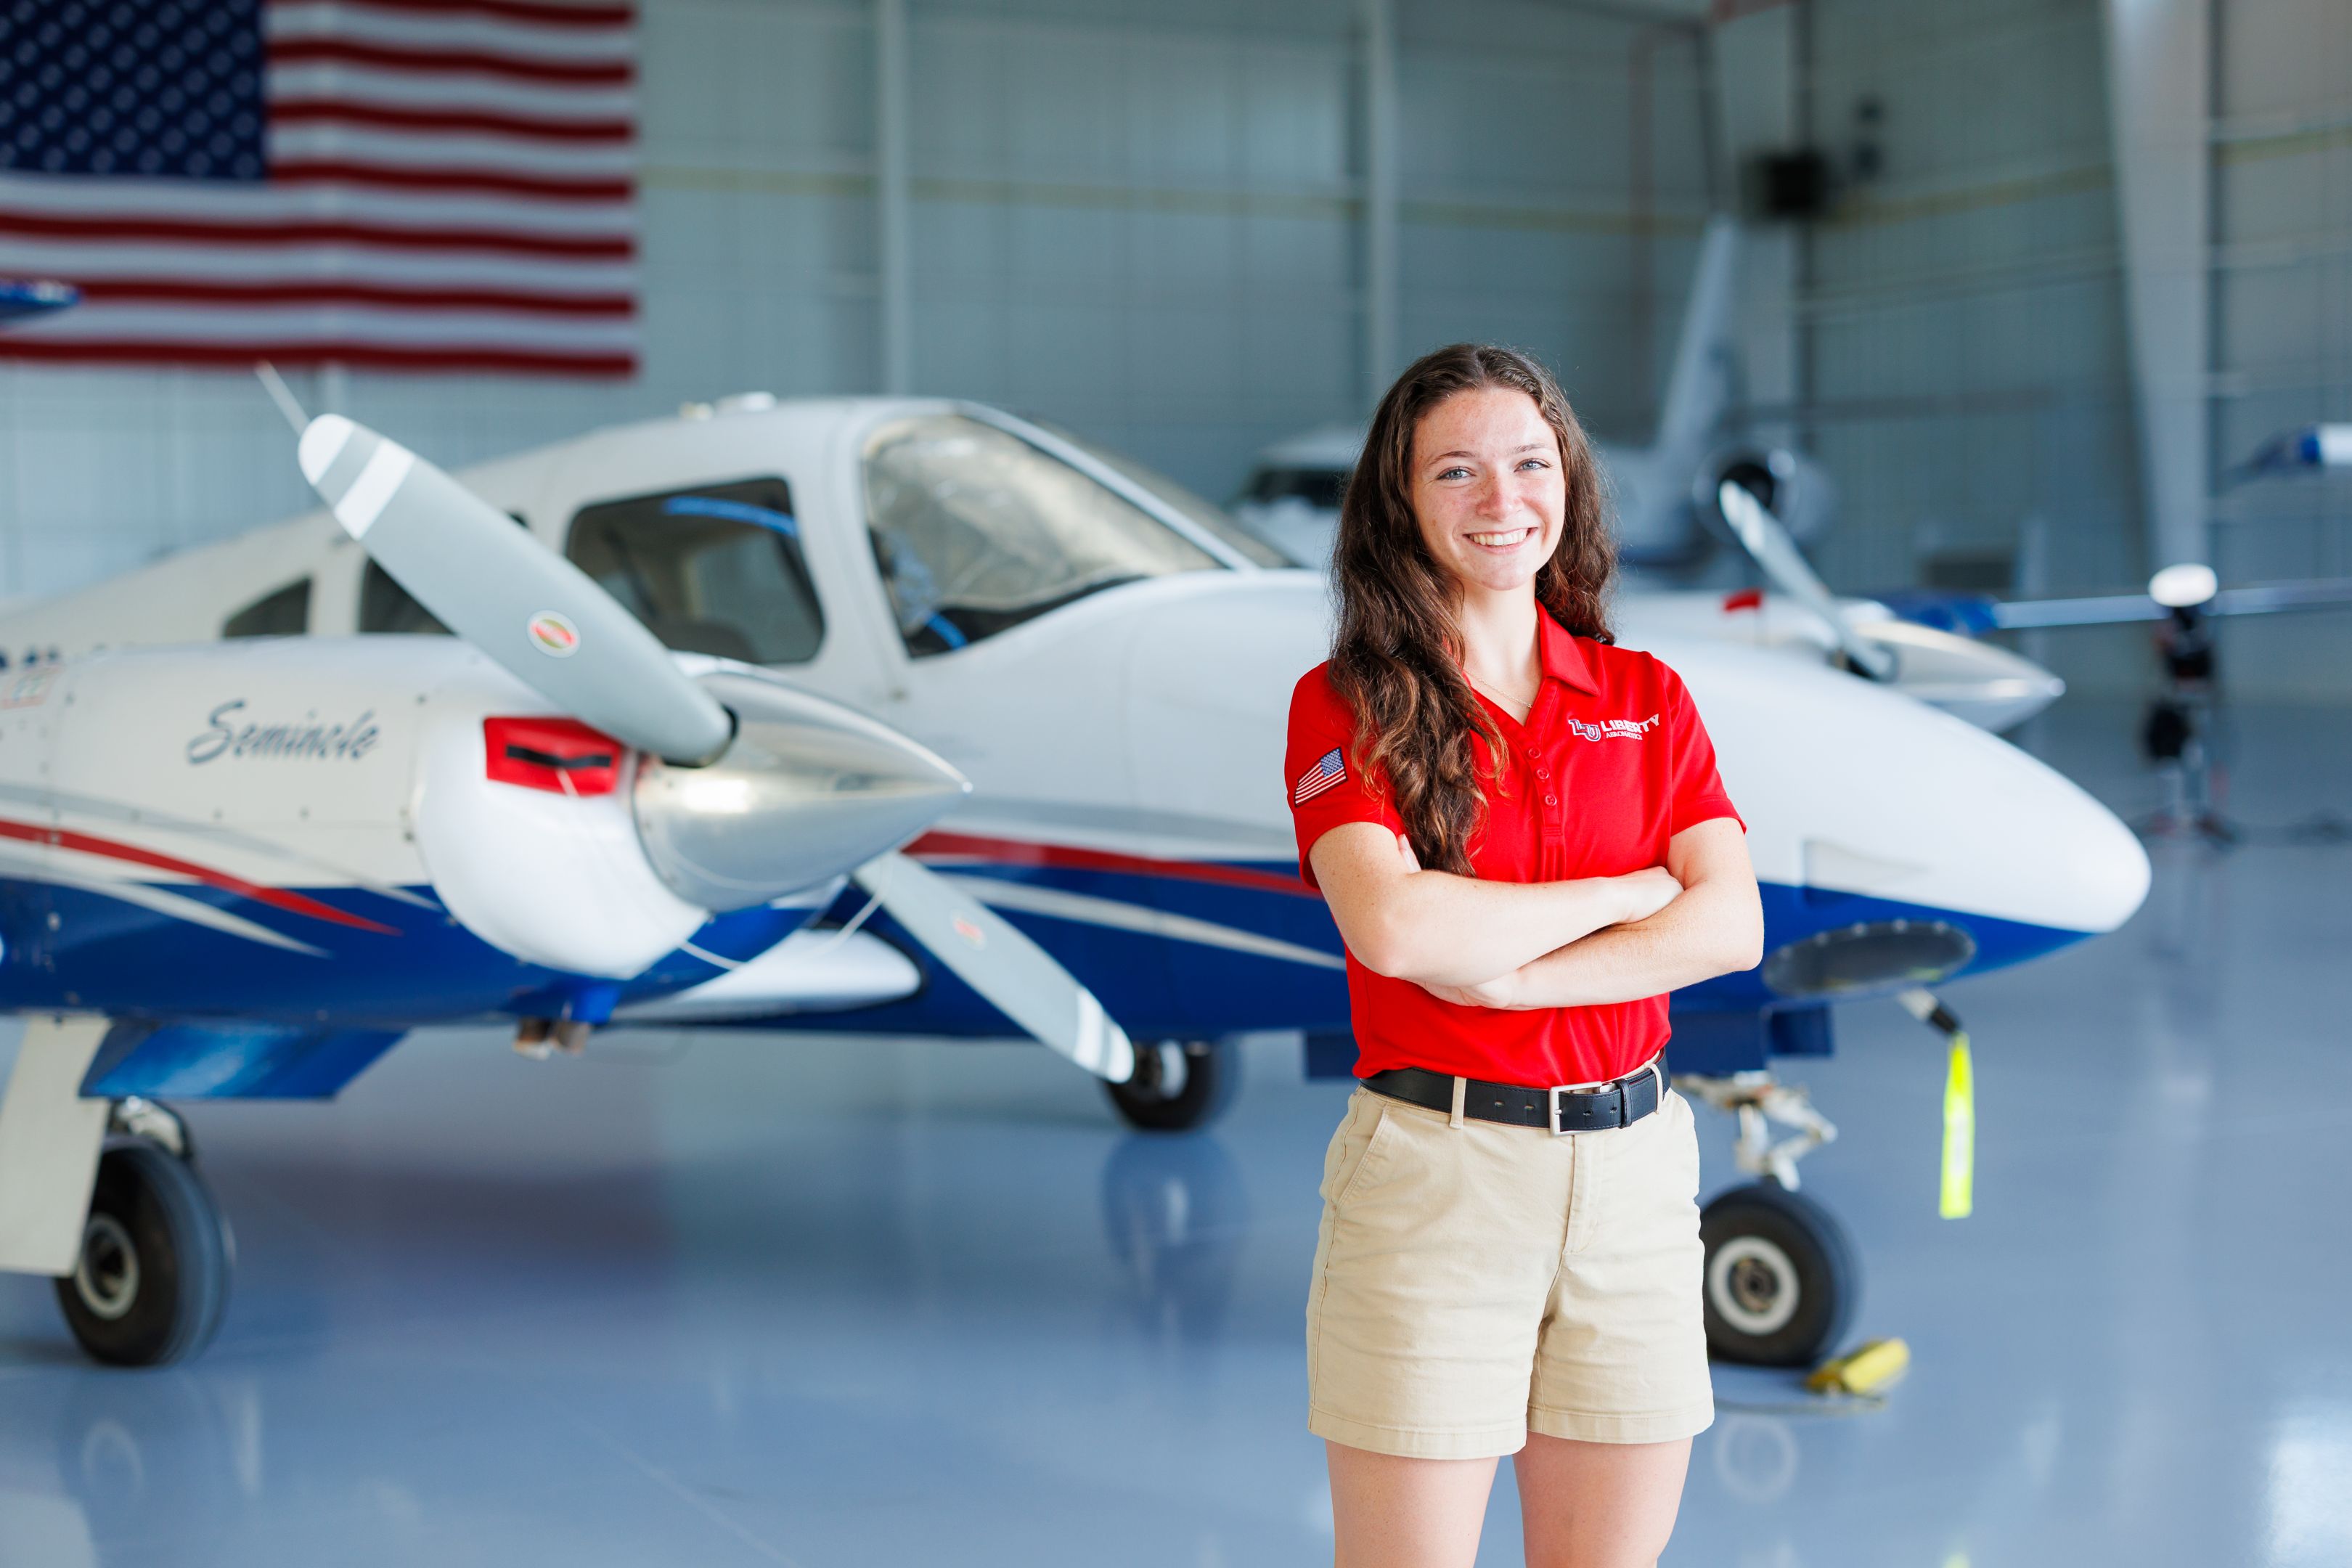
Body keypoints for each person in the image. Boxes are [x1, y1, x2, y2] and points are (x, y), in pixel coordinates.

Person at [1284, 343, 1763, 1568]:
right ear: (1401, 503)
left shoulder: (1645, 694)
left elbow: (1729, 926)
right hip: (1441, 1181)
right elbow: (1396, 929)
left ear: (1570, 484)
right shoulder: (1348, 703)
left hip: (1638, 1185)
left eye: (1529, 463)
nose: (1502, 501)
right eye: (1456, 471)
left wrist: (1507, 973)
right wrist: (1629, 892)